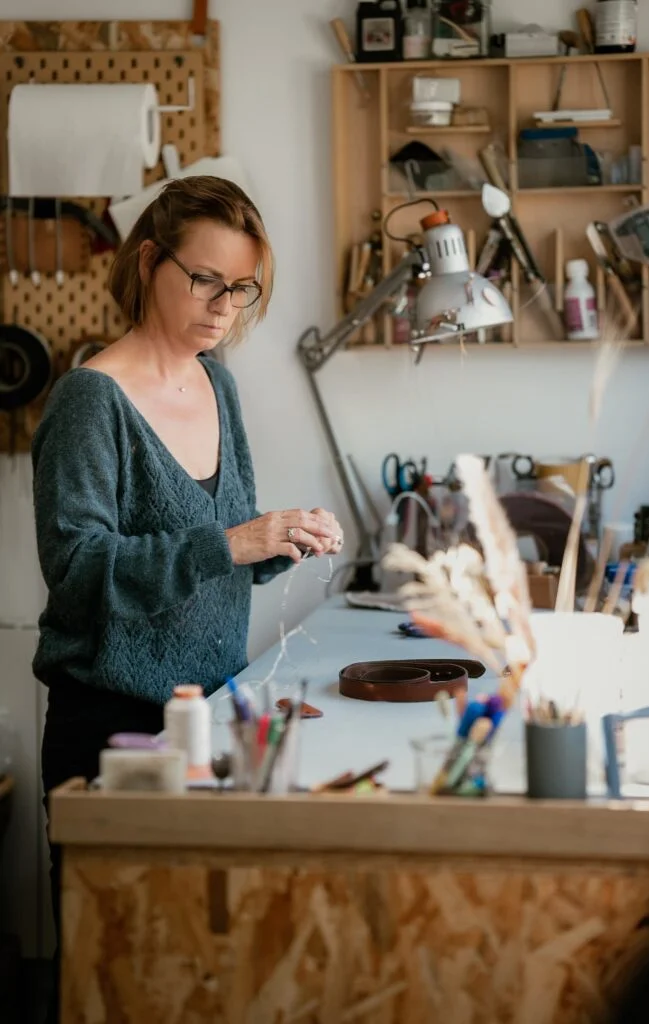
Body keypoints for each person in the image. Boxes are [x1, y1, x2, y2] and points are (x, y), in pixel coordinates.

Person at [31, 176, 343, 1020]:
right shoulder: (90, 400)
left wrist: (280, 541)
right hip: (113, 729)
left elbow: (217, 557)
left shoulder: (217, 384)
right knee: (116, 978)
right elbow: (78, 570)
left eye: (241, 289)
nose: (224, 307)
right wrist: (234, 541)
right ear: (148, 263)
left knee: (201, 976)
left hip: (208, 718)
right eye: (205, 279)